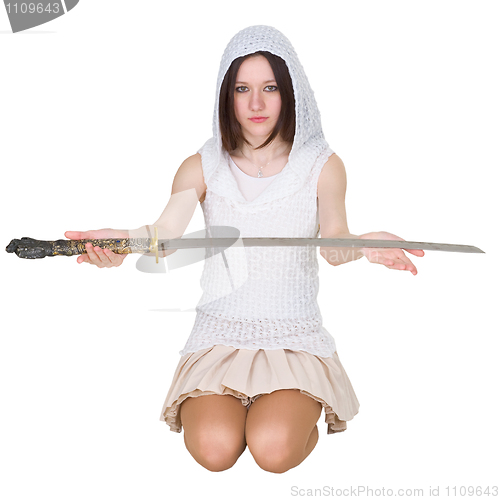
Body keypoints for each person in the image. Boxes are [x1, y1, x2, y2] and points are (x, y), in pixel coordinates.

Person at [65, 25, 424, 474]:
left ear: (289, 93)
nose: (256, 104)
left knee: (272, 451)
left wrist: (364, 246)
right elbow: (164, 233)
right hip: (219, 337)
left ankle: (297, 414)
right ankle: (242, 416)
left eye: (270, 88)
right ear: (227, 95)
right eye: (243, 89)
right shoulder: (201, 165)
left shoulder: (322, 165)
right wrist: (120, 245)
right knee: (214, 452)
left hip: (293, 338)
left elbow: (333, 246)